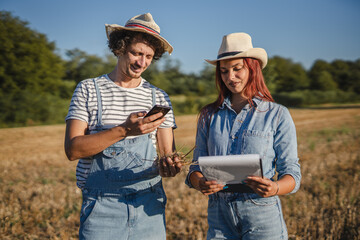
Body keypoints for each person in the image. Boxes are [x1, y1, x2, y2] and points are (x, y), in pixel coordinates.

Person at [64, 13, 182, 240]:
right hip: (102, 205)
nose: (142, 62)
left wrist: (171, 165)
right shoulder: (88, 89)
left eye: (148, 56)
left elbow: (167, 155)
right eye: (136, 53)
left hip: (148, 203)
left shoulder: (159, 98)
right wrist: (125, 130)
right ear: (119, 48)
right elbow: (73, 150)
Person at [185, 32, 301, 239]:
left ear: (252, 68)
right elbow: (195, 167)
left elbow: (291, 171)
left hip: (262, 215)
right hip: (219, 216)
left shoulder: (278, 114)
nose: (230, 77)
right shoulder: (208, 116)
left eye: (237, 69)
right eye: (224, 71)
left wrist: (274, 188)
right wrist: (200, 182)